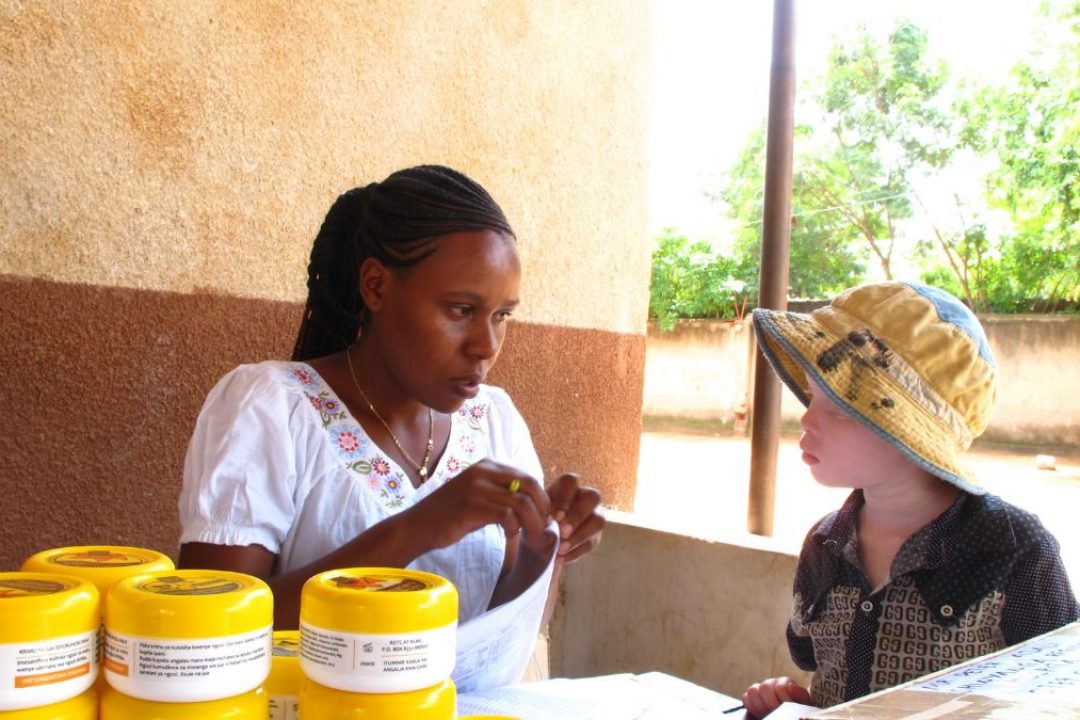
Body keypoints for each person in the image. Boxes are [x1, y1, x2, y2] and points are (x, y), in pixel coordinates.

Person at [176, 165, 605, 670]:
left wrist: (544, 553)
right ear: (376, 286)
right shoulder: (271, 408)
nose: (485, 346)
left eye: (501, 316)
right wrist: (419, 527)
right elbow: (206, 628)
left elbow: (503, 637)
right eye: (461, 309)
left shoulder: (495, 423)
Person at [740, 281, 1079, 718]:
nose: (806, 419)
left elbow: (1056, 693)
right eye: (811, 394)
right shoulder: (824, 543)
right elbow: (814, 666)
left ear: (907, 435)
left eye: (839, 407)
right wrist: (797, 702)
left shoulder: (1014, 548)